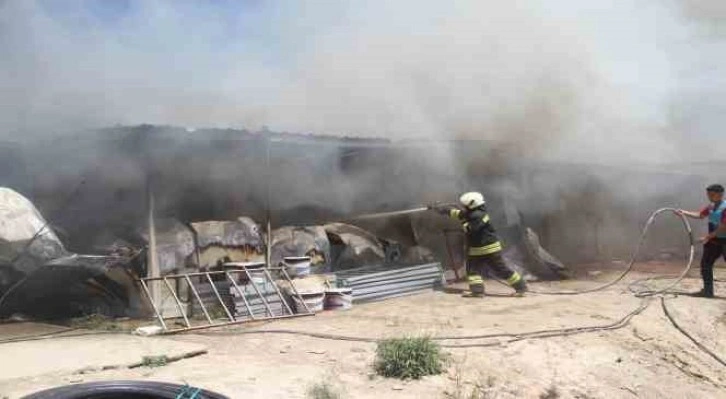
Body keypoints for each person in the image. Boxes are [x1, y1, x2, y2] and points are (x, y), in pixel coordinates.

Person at [432, 192, 527, 297]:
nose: (464, 207)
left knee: (501, 269)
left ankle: (521, 287)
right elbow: (458, 213)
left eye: (465, 205)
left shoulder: (478, 215)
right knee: (472, 271)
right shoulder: (473, 212)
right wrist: (441, 210)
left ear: (471, 204)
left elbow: (470, 229)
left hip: (488, 248)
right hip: (477, 249)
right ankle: (477, 291)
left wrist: (463, 220)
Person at [676, 184, 726, 298]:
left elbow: (724, 226)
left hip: (723, 240)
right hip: (714, 241)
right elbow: (700, 215)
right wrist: (683, 212)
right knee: (706, 265)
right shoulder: (711, 206)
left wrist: (708, 237)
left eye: (712, 194)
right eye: (708, 194)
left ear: (720, 194)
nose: (709, 197)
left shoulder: (725, 207)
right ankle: (708, 291)